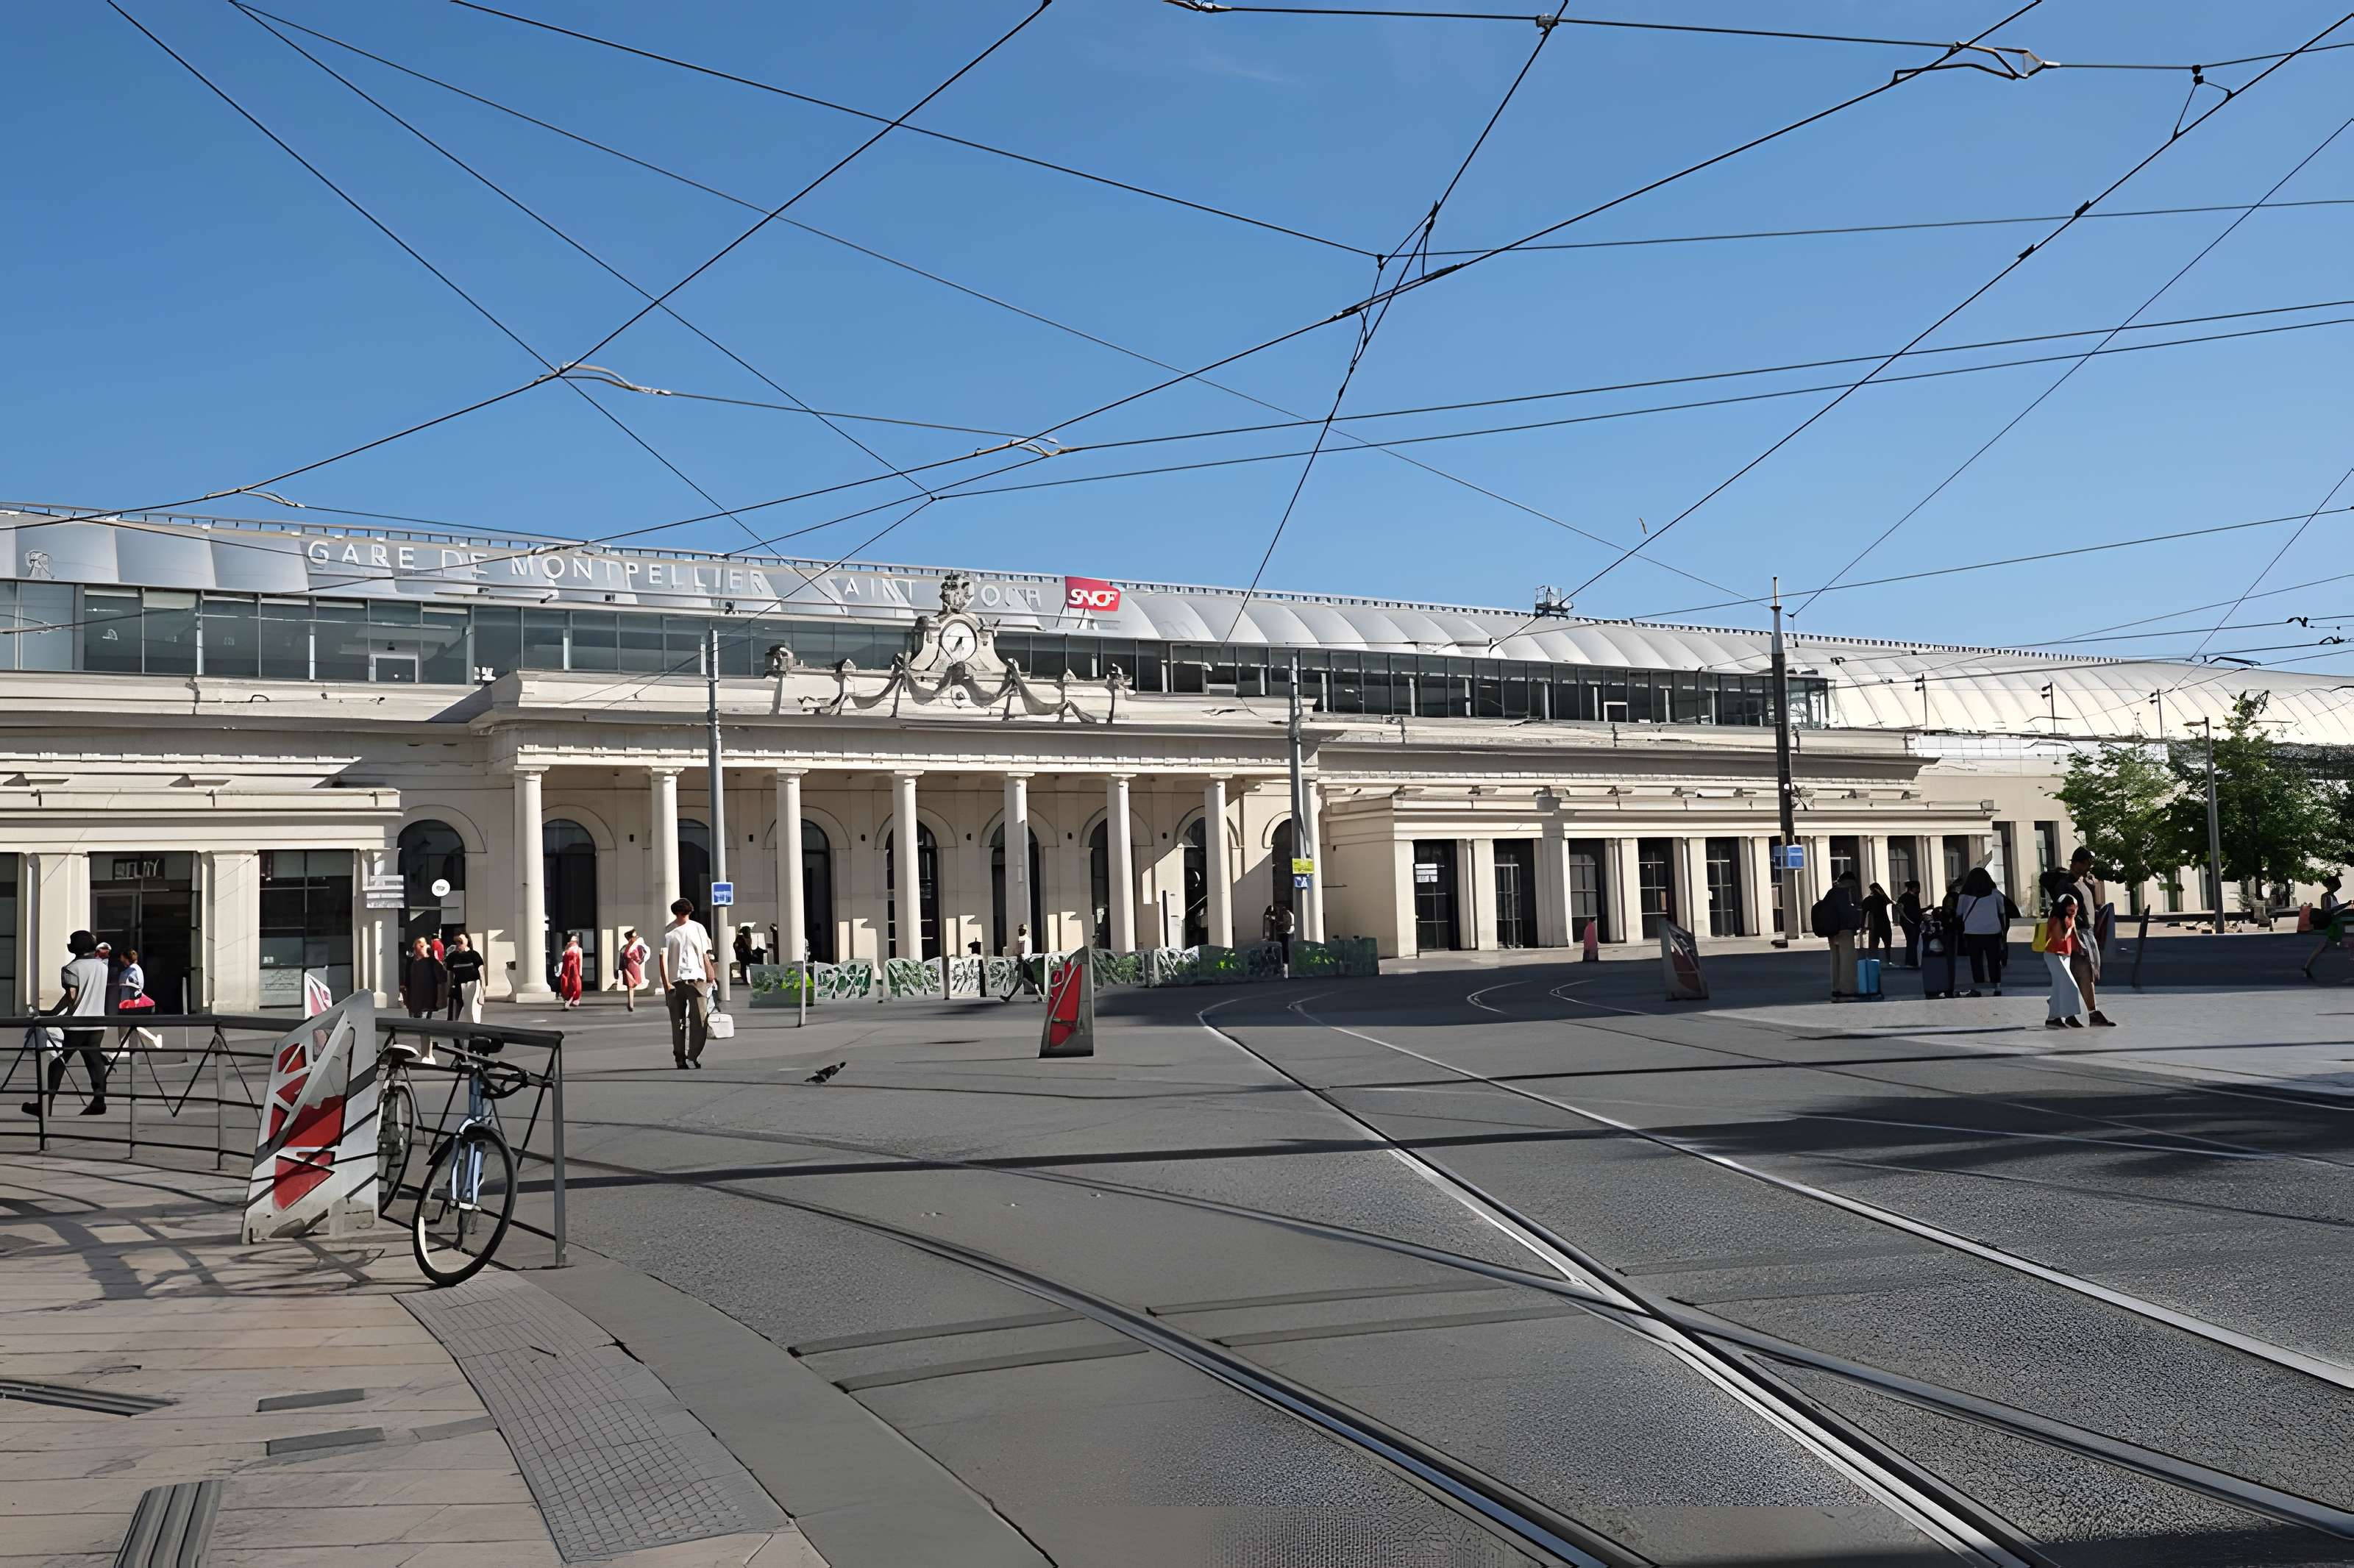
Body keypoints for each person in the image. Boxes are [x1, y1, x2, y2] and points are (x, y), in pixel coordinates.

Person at [23, 930, 111, 1118]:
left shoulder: (70, 968)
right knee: (94, 1060)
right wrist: (55, 1011)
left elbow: (71, 995)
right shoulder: (102, 967)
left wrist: (55, 1014)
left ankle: (45, 1105)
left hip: (76, 1024)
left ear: (74, 947)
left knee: (60, 1060)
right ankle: (99, 1101)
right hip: (98, 1023)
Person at [661, 898, 714, 1068]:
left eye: (684, 914)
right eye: (680, 914)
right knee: (679, 1022)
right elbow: (662, 959)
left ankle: (693, 1054)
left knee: (699, 1019)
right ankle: (680, 1056)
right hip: (677, 981)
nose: (682, 917)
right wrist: (666, 984)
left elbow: (705, 953)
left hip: (696, 979)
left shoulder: (698, 928)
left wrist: (710, 974)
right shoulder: (669, 931)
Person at [2068, 847, 2113, 1027]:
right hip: (2078, 933)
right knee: (2082, 973)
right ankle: (2087, 1013)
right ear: (2076, 863)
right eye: (2086, 864)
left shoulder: (2083, 881)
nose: (2088, 867)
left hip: (2087, 932)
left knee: (2085, 974)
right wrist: (2076, 938)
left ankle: (2086, 1012)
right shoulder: (2067, 884)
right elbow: (2068, 914)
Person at [1954, 868, 2015, 997]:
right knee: (1994, 960)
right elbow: (2002, 913)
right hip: (1993, 932)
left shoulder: (1964, 895)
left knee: (1976, 961)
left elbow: (1959, 913)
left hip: (1972, 932)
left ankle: (1979, 988)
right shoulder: (1995, 894)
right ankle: (1997, 986)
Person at [2039, 869, 2085, 1028]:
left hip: (2064, 954)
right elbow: (2060, 937)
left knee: (2059, 986)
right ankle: (2067, 1016)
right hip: (2054, 954)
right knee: (2070, 985)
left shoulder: (2065, 904)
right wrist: (2069, 924)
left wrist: (2078, 946)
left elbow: (2071, 934)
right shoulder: (2058, 915)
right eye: (2072, 909)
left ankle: (2054, 1018)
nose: (2074, 912)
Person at [113, 947, 163, 1053]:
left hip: (131, 1003)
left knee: (131, 1026)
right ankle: (124, 1049)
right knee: (127, 1027)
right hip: (130, 1002)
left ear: (126, 958)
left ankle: (152, 1040)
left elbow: (131, 985)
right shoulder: (134, 969)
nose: (121, 960)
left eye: (122, 958)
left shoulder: (131, 970)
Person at [1826, 871, 1865, 997]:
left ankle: (1835, 987)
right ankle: (1848, 989)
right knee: (1848, 961)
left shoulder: (1832, 892)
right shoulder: (1850, 891)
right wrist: (1857, 923)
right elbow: (1851, 911)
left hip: (1832, 931)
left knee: (1835, 960)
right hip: (1845, 930)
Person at [2305, 876, 2350, 980]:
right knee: (2325, 944)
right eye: (2335, 886)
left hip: (2336, 923)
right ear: (2330, 885)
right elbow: (2328, 910)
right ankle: (2308, 966)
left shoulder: (2332, 896)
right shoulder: (2326, 896)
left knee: (2323, 945)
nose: (2337, 888)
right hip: (2333, 924)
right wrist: (2344, 905)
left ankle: (2308, 966)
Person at [399, 936, 445, 1020]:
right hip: (414, 1003)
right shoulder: (410, 963)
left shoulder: (433, 963)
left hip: (428, 1003)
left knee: (425, 1025)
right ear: (415, 948)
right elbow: (406, 983)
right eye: (420, 945)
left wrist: (441, 1000)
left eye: (424, 945)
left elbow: (441, 982)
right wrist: (406, 999)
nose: (422, 947)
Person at [444, 933, 486, 1024]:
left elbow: (482, 974)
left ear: (468, 941)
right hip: (458, 987)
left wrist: (482, 993)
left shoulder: (474, 955)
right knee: (455, 1017)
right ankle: (458, 1036)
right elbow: (450, 975)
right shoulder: (452, 956)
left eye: (461, 941)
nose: (458, 943)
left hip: (473, 986)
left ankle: (473, 1035)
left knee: (472, 1014)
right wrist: (450, 989)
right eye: (457, 942)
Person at [618, 927, 650, 1012]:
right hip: (627, 967)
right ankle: (631, 1003)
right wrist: (620, 969)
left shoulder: (637, 947)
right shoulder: (625, 947)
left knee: (633, 985)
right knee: (630, 986)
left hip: (635, 967)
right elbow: (621, 958)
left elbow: (642, 957)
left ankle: (631, 1002)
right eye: (633, 937)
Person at [1861, 882, 1893, 958]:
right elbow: (1889, 901)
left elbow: (1863, 914)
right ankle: (1886, 960)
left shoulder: (1872, 899)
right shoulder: (1880, 899)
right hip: (1881, 924)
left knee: (1875, 945)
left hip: (1877, 925)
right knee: (1886, 944)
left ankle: (1874, 960)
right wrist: (1881, 892)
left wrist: (1862, 926)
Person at [1896, 880, 1924, 968]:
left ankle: (1913, 960)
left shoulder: (1915, 897)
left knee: (1913, 941)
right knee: (1911, 941)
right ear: (1912, 888)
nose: (1919, 890)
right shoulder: (1905, 898)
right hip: (1909, 922)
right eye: (1917, 887)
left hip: (1914, 922)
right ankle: (1911, 961)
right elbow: (1901, 910)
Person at [556, 933, 585, 1008]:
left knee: (574, 985)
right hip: (566, 970)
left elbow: (581, 959)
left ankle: (570, 1001)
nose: (573, 940)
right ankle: (568, 1000)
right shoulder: (567, 949)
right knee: (566, 984)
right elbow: (563, 958)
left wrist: (580, 971)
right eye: (572, 939)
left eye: (574, 939)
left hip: (574, 970)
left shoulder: (579, 949)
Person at [1265, 902, 1295, 968]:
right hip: (1285, 933)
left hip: (1284, 933)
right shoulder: (1289, 913)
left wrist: (1271, 918)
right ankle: (1284, 964)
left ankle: (1284, 965)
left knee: (1283, 951)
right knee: (1284, 950)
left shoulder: (1285, 914)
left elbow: (1280, 921)